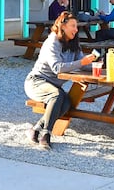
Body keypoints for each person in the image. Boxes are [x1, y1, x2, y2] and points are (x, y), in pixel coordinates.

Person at [24, 11, 98, 150]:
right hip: (36, 82)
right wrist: (81, 62)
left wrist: (99, 65)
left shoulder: (73, 42)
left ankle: (35, 129)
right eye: (73, 26)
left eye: (77, 27)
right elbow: (57, 68)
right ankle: (46, 134)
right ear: (62, 26)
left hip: (53, 86)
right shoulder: (52, 42)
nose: (76, 30)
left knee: (67, 103)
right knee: (57, 96)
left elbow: (83, 64)